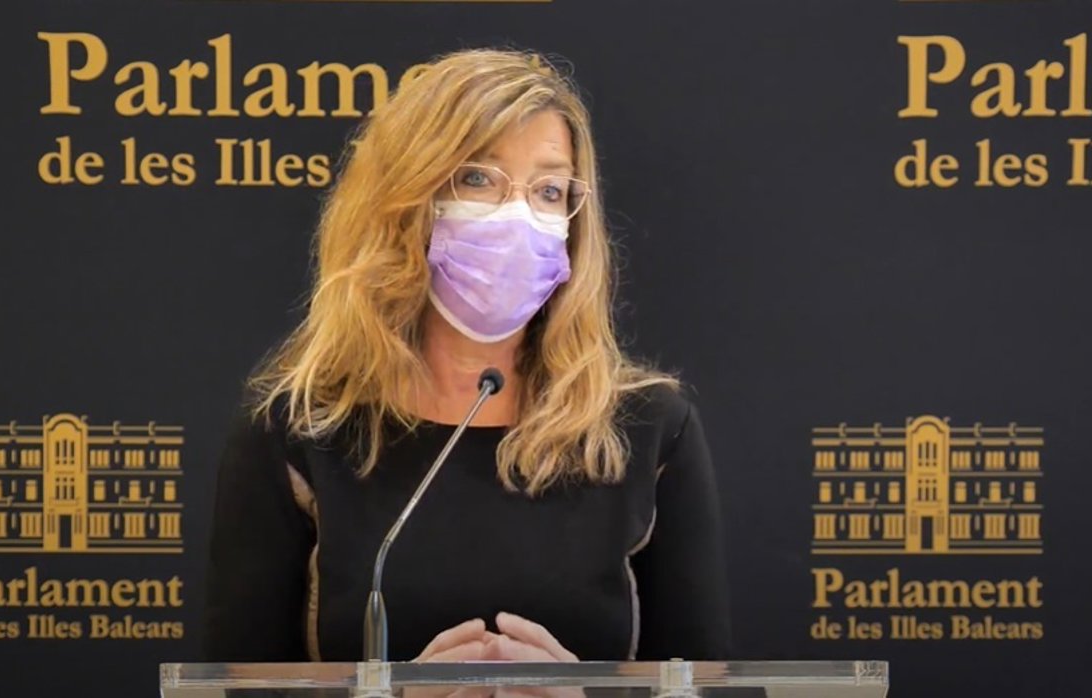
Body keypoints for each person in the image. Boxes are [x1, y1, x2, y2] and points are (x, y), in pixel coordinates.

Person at [202, 48, 731, 664]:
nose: (518, 216)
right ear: (405, 200)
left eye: (549, 190)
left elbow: (703, 681)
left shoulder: (649, 429)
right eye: (478, 178)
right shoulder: (299, 430)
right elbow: (235, 683)